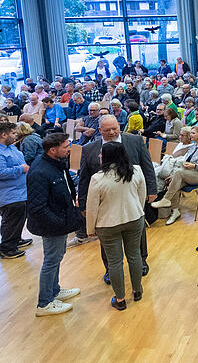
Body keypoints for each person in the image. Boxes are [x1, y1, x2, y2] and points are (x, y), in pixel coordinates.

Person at [77, 116, 156, 281]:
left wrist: (152, 189)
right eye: (107, 130)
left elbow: (147, 166)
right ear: (100, 131)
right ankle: (110, 269)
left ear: (119, 126)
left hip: (133, 198)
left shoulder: (135, 141)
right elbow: (84, 178)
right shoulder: (89, 149)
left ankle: (141, 261)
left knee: (138, 232)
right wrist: (83, 204)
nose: (112, 132)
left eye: (114, 128)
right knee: (107, 240)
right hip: (105, 204)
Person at [85, 142, 147, 311]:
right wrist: (138, 211)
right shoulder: (136, 171)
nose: (99, 156)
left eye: (101, 153)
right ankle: (137, 291)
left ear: (106, 157)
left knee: (115, 262)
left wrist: (90, 229)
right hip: (134, 218)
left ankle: (120, 299)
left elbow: (92, 207)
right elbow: (142, 196)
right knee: (135, 256)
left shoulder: (98, 178)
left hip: (107, 224)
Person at [27, 133, 83, 315]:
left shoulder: (56, 163)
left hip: (61, 220)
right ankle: (44, 303)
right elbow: (38, 207)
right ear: (53, 150)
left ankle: (55, 291)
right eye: (66, 146)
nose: (69, 149)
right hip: (52, 225)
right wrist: (59, 224)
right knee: (51, 260)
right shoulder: (40, 171)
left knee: (57, 257)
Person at [151, 125, 198, 225]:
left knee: (178, 174)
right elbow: (185, 163)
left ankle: (166, 199)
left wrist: (194, 165)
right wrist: (174, 175)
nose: (191, 134)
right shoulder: (193, 145)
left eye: (193, 133)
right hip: (192, 173)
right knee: (175, 180)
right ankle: (175, 211)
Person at [0, 122, 29, 259]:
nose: (15, 135)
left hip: (20, 191)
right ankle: (6, 248)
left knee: (19, 217)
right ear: (4, 135)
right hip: (9, 194)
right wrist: (21, 169)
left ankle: (15, 240)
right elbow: (1, 172)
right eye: (12, 133)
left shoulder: (11, 147)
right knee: (11, 220)